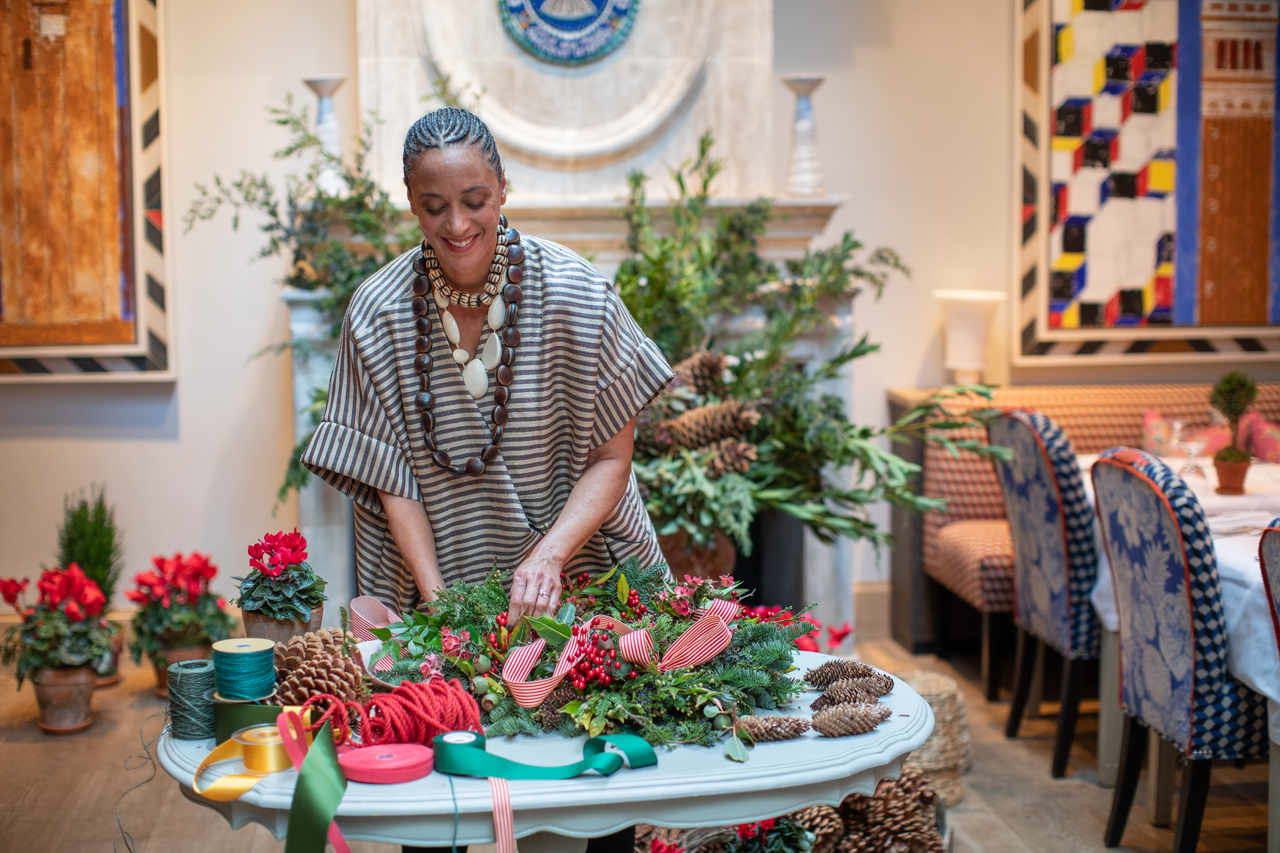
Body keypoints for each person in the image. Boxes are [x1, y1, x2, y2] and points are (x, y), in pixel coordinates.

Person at [301, 107, 673, 853]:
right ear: (411, 203)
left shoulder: (577, 294)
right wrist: (440, 605)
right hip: (442, 582)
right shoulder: (377, 313)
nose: (458, 223)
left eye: (475, 199)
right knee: (438, 807)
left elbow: (612, 458)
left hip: (585, 580)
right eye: (434, 207)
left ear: (504, 188)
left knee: (596, 791)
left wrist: (548, 556)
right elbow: (389, 477)